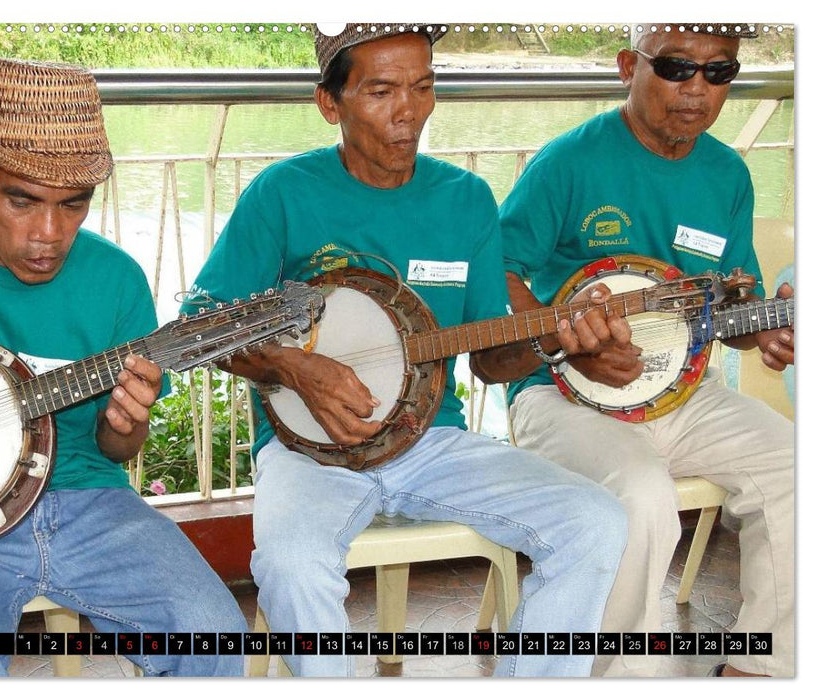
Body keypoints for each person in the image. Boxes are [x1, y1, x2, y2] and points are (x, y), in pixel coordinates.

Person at [182, 23, 628, 678]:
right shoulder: (282, 193)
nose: (408, 112)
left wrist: (546, 342)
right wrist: (290, 364)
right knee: (291, 563)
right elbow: (200, 324)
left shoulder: (465, 198)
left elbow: (487, 357)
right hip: (310, 451)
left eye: (422, 88)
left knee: (593, 519)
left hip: (431, 442)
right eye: (381, 91)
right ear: (329, 103)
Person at [0, 57, 246, 677]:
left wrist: (127, 424)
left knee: (215, 638)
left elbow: (119, 448)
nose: (49, 233)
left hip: (89, 500)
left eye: (74, 205)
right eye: (22, 200)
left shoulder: (116, 277)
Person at [492, 24, 794, 677]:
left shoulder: (727, 175)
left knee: (798, 466)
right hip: (561, 393)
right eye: (677, 67)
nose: (696, 89)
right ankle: (607, 677)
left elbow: (734, 311)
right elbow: (495, 272)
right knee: (639, 495)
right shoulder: (567, 164)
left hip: (680, 389)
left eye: (719, 73)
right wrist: (565, 339)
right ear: (628, 65)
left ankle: (763, 669)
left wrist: (763, 330)